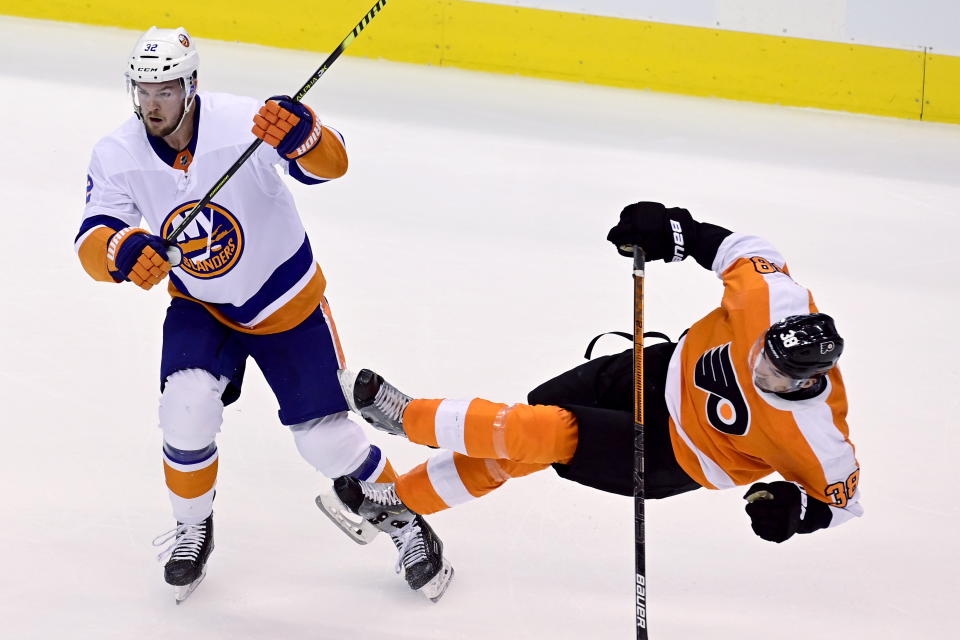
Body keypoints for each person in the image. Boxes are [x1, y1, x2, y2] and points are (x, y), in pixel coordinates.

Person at [74, 26, 452, 602]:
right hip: (202, 307)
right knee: (185, 410)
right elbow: (92, 235)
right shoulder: (117, 153)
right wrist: (118, 251)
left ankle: (405, 520)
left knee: (325, 441)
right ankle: (192, 525)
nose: (153, 103)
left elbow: (332, 165)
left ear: (191, 85)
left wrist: (307, 136)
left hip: (285, 302)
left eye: (167, 89)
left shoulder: (241, 124)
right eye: (144, 90)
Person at [335, 202, 863, 545]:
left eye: (772, 375)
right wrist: (677, 232)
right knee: (531, 418)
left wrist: (798, 511)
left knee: (541, 431)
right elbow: (743, 251)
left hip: (677, 455)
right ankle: (403, 504)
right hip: (661, 372)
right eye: (762, 354)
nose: (757, 367)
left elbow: (844, 503)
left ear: (805, 383)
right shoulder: (774, 302)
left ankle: (408, 418)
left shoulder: (817, 436)